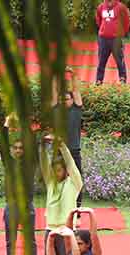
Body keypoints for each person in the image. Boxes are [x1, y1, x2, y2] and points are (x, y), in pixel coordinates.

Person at [40, 134, 83, 255]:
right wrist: (42, 147)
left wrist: (62, 145)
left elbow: (71, 164)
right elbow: (44, 165)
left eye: (59, 170)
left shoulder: (74, 183)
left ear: (66, 171)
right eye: (54, 170)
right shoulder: (51, 183)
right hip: (50, 229)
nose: (55, 173)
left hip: (67, 230)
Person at [0, 126, 37, 255]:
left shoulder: (30, 164)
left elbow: (33, 147)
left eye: (21, 148)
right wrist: (6, 126)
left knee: (30, 240)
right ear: (12, 150)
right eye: (15, 148)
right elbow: (2, 146)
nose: (18, 150)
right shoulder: (9, 163)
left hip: (27, 205)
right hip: (12, 206)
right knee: (11, 240)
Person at [58, 73, 84, 206]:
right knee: (58, 180)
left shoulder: (76, 109)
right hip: (60, 151)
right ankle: (60, 206)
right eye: (62, 100)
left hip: (74, 151)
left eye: (67, 99)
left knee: (77, 179)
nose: (65, 102)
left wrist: (73, 75)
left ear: (72, 100)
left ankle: (78, 209)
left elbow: (75, 90)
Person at [94, 0, 130, 84]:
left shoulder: (121, 7)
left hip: (116, 39)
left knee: (119, 61)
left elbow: (126, 21)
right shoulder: (101, 7)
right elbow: (98, 20)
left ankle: (122, 80)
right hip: (103, 39)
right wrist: (104, 30)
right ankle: (99, 81)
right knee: (101, 62)